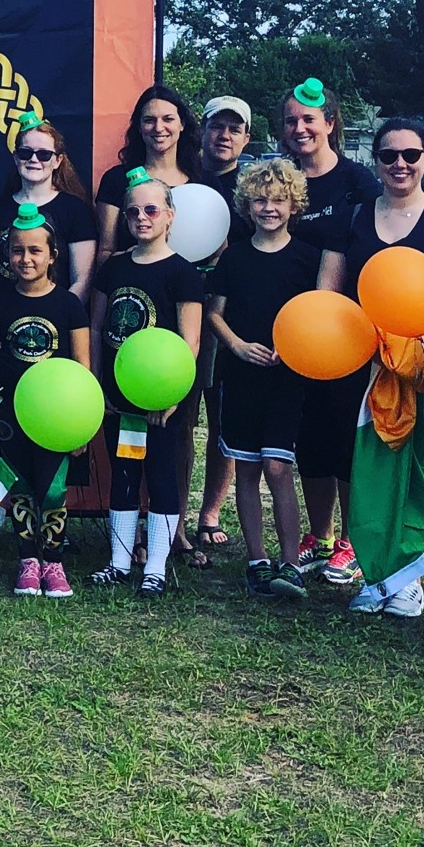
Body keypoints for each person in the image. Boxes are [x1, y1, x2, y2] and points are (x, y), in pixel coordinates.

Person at [319, 116, 424, 612]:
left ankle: (409, 576)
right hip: (358, 363)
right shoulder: (351, 218)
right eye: (389, 155)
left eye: (411, 155)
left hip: (419, 368)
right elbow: (326, 292)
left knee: (415, 468)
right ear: (375, 160)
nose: (399, 164)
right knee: (360, 469)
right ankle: (373, 573)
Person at [279, 77, 382, 583]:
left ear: (330, 124)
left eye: (309, 119)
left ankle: (349, 539)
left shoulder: (358, 183)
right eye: (292, 120)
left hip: (344, 334)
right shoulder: (279, 180)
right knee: (309, 440)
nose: (300, 128)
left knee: (344, 439)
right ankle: (317, 536)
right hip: (292, 334)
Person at [89, 170, 204, 594]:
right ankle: (119, 561)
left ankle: (155, 565)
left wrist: (171, 396)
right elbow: (99, 328)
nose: (141, 217)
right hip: (119, 398)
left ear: (170, 216)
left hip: (160, 400)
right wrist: (99, 386)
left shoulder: (183, 273)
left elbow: (189, 343)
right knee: (123, 473)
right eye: (133, 211)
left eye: (151, 209)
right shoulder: (113, 268)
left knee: (159, 477)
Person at [207, 159, 315, 601]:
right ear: (246, 206)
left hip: (288, 377)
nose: (269, 208)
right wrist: (237, 346)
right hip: (241, 374)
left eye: (278, 200)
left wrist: (297, 349)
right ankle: (257, 560)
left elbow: (318, 318)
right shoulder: (233, 256)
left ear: (294, 205)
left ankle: (291, 564)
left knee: (278, 467)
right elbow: (214, 313)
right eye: (260, 200)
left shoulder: (307, 259)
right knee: (247, 469)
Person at [0, 204, 89, 596]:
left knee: (53, 488)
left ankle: (54, 562)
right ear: (7, 256)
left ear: (53, 255)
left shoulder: (69, 305)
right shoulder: (1, 305)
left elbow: (82, 368)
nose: (26, 259)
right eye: (18, 251)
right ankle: (27, 559)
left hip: (56, 417)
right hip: (10, 414)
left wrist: (83, 424)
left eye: (35, 251)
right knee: (21, 486)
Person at [188, 95, 253, 545]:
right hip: (181, 311)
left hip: (232, 316)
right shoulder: (181, 179)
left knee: (222, 422)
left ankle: (209, 514)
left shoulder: (252, 191)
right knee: (178, 420)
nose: (224, 135)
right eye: (217, 126)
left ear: (246, 138)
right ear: (203, 131)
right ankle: (167, 512)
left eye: (234, 128)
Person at [0, 110, 97, 304]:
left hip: (56, 322)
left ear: (57, 161)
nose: (34, 160)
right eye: (26, 153)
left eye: (44, 154)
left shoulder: (75, 211)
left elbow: (82, 280)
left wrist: (59, 319)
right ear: (16, 158)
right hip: (2, 324)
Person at [95, 85, 200, 253]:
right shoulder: (116, 180)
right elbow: (105, 251)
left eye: (168, 119)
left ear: (182, 124)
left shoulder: (204, 181)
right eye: (149, 120)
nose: (158, 128)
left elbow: (218, 254)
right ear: (139, 127)